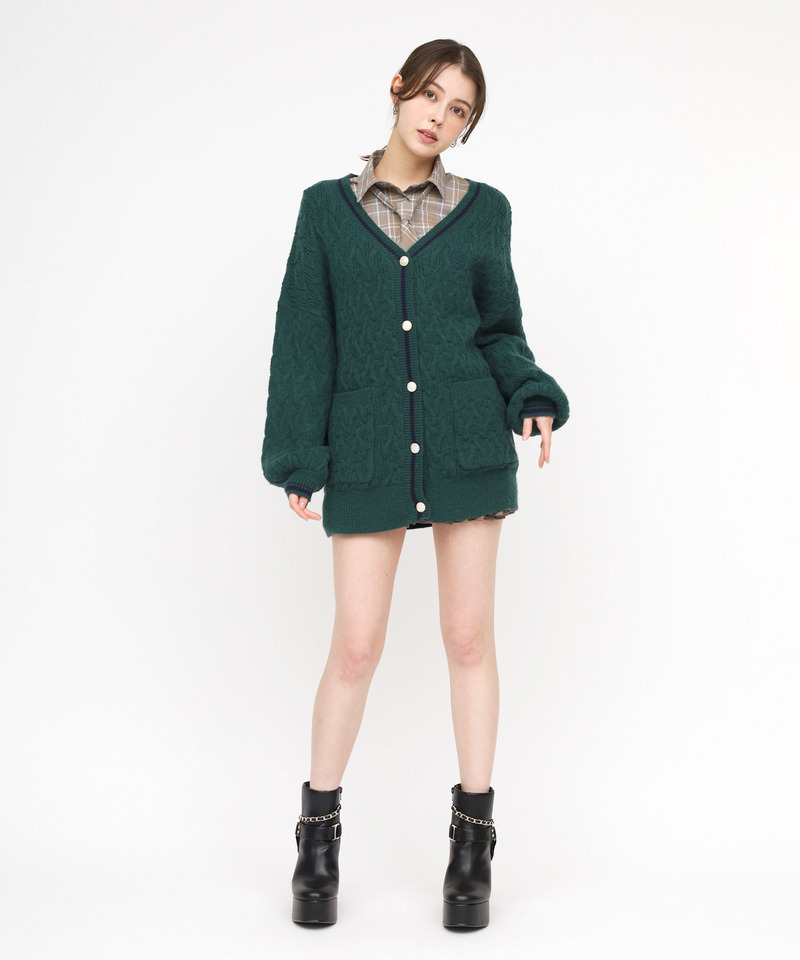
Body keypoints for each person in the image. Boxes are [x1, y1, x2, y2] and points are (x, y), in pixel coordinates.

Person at [260, 38, 570, 929]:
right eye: (431, 94)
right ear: (398, 90)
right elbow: (304, 335)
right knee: (356, 647)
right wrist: (299, 452)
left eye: (459, 109)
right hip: (366, 446)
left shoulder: (484, 211)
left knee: (468, 639)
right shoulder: (325, 210)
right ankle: (317, 839)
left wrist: (530, 395)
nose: (439, 116)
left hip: (468, 440)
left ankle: (472, 845)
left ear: (469, 126)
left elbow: (499, 326)